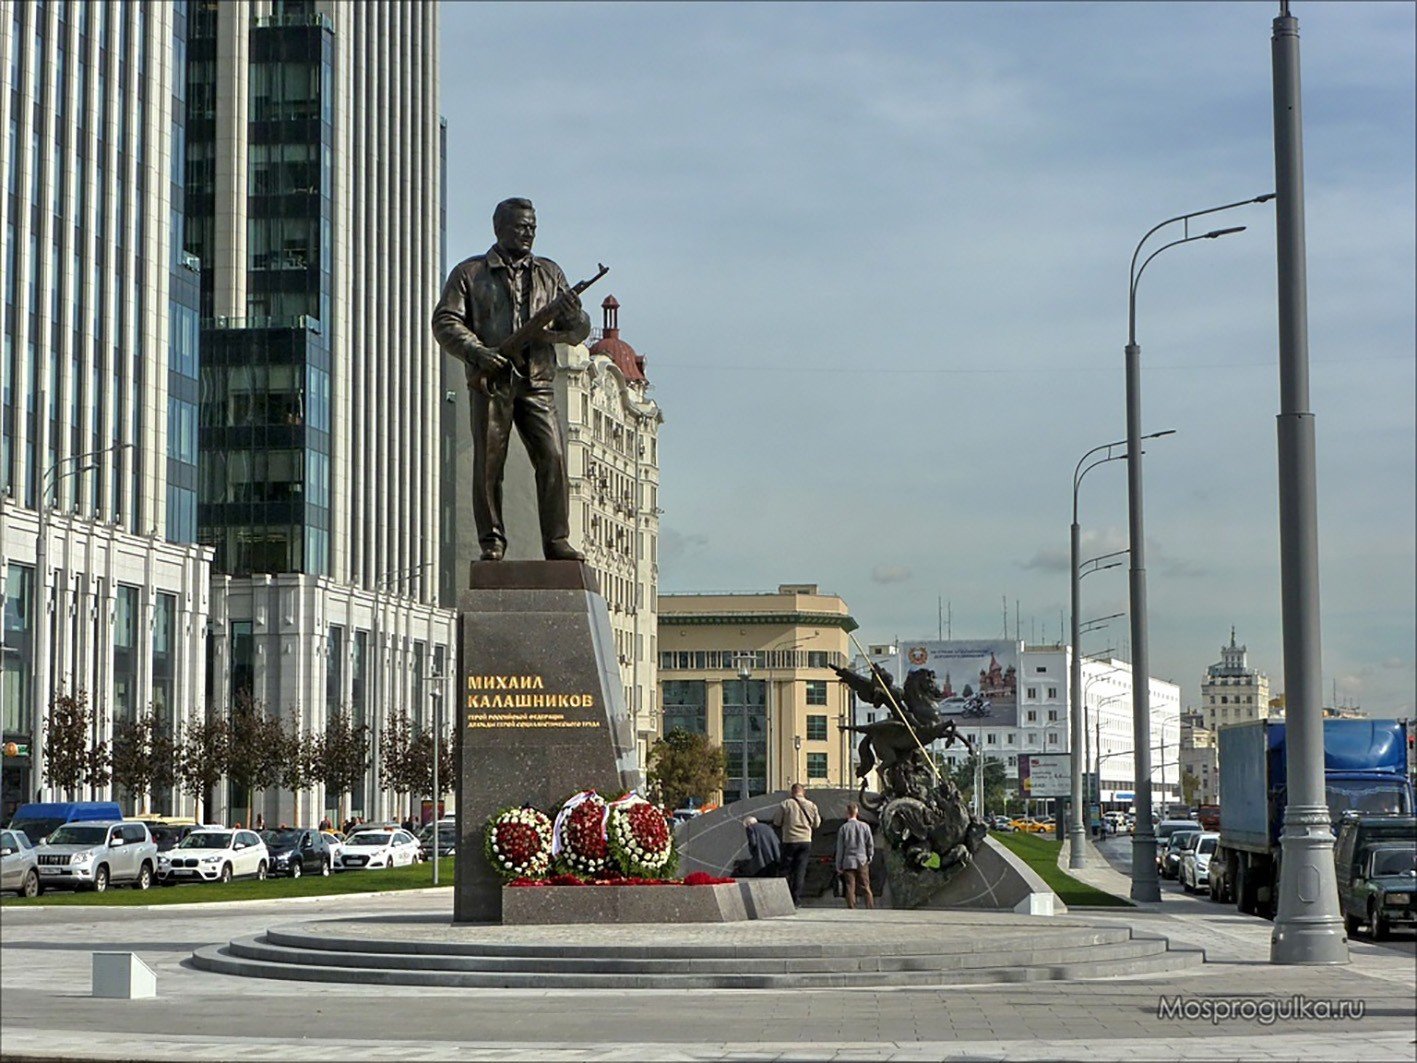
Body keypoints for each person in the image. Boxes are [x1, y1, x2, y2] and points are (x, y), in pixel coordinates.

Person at [431, 197, 591, 564]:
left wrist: (575, 316)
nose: (529, 233)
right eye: (521, 226)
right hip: (494, 380)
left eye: (533, 227)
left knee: (552, 457)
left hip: (537, 380)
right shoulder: (469, 273)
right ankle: (492, 541)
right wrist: (478, 352)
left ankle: (556, 541)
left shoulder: (551, 274)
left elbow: (575, 332)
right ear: (499, 228)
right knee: (489, 464)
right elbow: (445, 321)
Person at [772, 784, 821, 905]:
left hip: (789, 840)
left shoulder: (786, 804)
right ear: (803, 792)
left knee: (786, 869)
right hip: (805, 841)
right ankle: (796, 899)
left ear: (792, 792)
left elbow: (777, 821)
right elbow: (817, 824)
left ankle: (785, 897)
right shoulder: (811, 805)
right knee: (800, 870)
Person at [835, 802, 875, 910]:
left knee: (850, 886)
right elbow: (870, 843)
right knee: (866, 886)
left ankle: (852, 908)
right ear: (857, 812)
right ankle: (870, 907)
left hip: (848, 861)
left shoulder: (843, 828)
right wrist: (870, 856)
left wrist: (838, 865)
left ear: (847, 813)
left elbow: (840, 848)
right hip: (862, 859)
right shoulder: (865, 826)